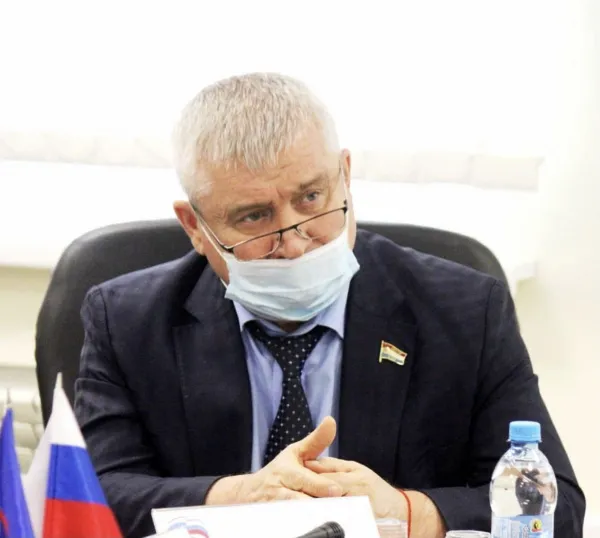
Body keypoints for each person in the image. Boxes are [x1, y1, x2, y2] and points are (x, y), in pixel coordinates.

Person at [73, 72, 585, 538]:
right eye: (254, 217)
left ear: (345, 174)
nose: (295, 242)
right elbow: (83, 499)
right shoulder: (126, 322)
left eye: (311, 198)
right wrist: (235, 499)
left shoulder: (467, 311)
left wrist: (408, 513)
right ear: (195, 227)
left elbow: (555, 508)